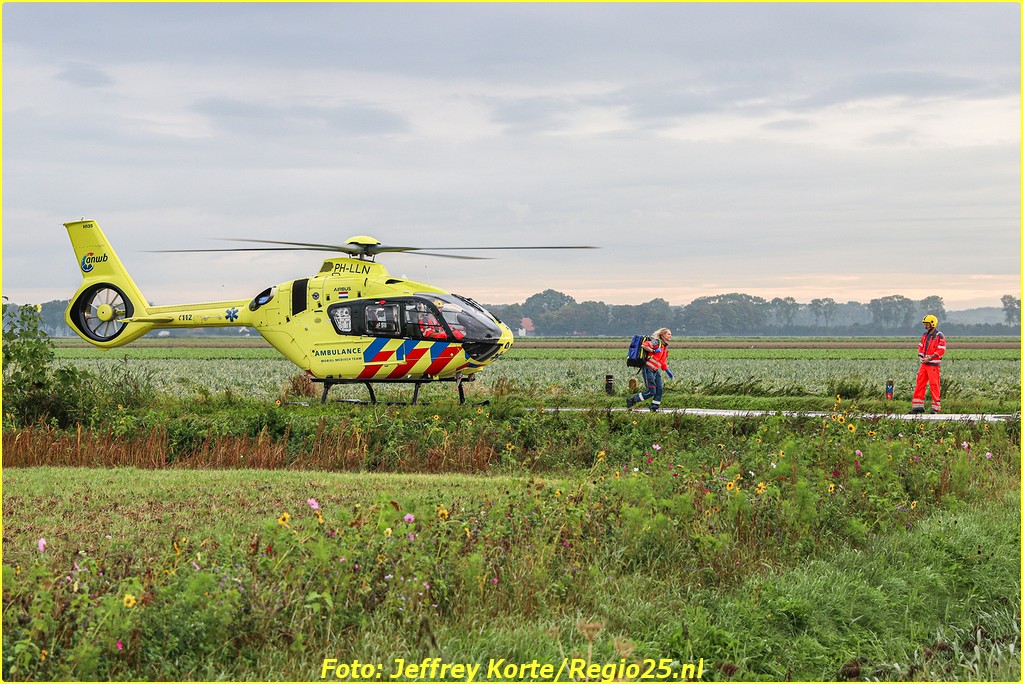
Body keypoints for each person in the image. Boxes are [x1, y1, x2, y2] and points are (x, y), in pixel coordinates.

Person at [626, 328, 673, 411]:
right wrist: (653, 351)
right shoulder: (657, 342)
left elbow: (662, 362)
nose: (670, 336)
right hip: (648, 369)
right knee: (652, 391)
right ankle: (632, 400)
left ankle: (654, 407)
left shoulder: (664, 348)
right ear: (662, 335)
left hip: (655, 371)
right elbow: (644, 345)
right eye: (668, 334)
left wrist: (668, 371)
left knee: (659, 390)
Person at [910, 314, 946, 414]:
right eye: (925, 324)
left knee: (934, 385)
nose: (925, 326)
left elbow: (941, 350)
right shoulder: (925, 335)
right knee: (920, 383)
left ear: (932, 324)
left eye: (927, 324)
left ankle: (936, 408)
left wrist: (930, 358)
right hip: (924, 364)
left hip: (933, 365)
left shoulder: (939, 336)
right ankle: (918, 406)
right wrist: (921, 357)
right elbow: (921, 346)